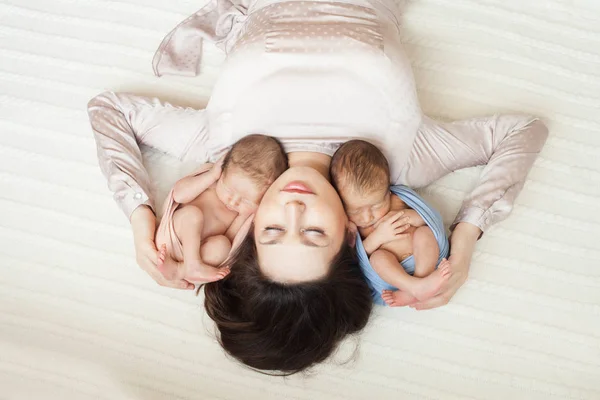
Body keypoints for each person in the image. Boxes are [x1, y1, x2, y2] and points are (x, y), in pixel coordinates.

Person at [88, 0, 548, 374]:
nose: (292, 209)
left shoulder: (227, 155)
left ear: (249, 227)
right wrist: (466, 239)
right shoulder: (400, 160)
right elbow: (522, 131)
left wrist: (140, 218)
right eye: (313, 234)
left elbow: (110, 110)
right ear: (350, 234)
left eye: (272, 232)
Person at [330, 140, 450, 307]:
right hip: (394, 273)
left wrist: (405, 216)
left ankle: (421, 281)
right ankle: (413, 286)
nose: (367, 217)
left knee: (424, 234)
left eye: (376, 205)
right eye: (356, 211)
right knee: (378, 259)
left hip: (424, 259)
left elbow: (428, 218)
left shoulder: (398, 200)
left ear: (387, 191)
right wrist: (378, 237)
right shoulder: (353, 227)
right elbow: (359, 254)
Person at [155, 134, 288, 283]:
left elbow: (230, 238)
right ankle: (192, 264)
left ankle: (180, 269)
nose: (234, 201)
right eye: (229, 190)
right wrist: (211, 176)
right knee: (192, 215)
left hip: (203, 254)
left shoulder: (243, 215)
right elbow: (179, 195)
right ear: (222, 172)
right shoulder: (211, 183)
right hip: (175, 236)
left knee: (223, 246)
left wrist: (245, 216)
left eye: (246, 200)